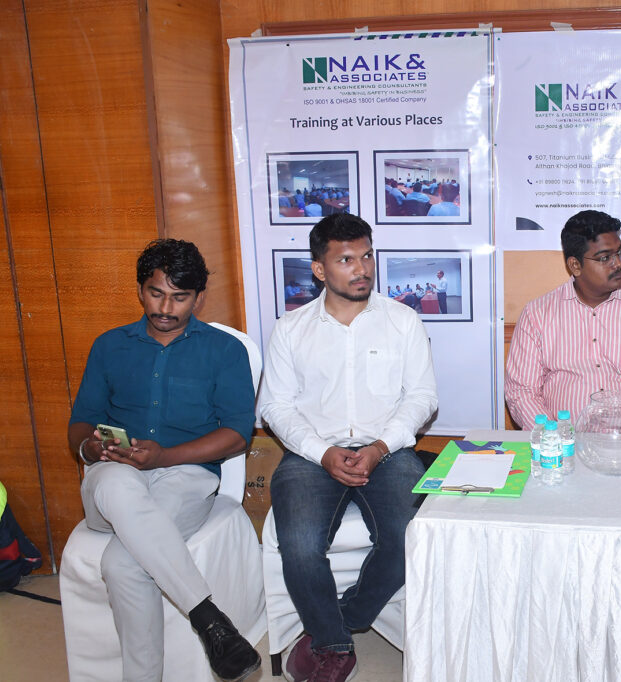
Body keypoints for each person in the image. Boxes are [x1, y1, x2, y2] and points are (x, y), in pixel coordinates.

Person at [67, 239, 260, 682]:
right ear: (141, 290)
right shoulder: (110, 345)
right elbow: (80, 423)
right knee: (116, 483)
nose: (166, 308)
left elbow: (236, 434)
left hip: (186, 476)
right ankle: (208, 616)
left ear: (199, 298)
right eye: (156, 293)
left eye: (180, 297)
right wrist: (90, 449)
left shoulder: (223, 350)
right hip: (112, 479)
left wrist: (164, 457)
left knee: (122, 564)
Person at [258, 213, 437, 682]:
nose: (362, 269)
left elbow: (422, 397)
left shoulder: (402, 321)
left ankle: (343, 619)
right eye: (346, 260)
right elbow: (275, 406)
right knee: (299, 545)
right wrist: (321, 452)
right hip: (310, 455)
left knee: (411, 535)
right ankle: (335, 646)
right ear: (319, 269)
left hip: (388, 451)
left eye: (367, 256)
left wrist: (380, 447)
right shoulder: (291, 328)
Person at [504, 210, 621, 432]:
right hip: (561, 442)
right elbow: (522, 392)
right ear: (575, 265)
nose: (619, 264)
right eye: (605, 258)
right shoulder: (537, 315)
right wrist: (556, 436)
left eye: (620, 253)